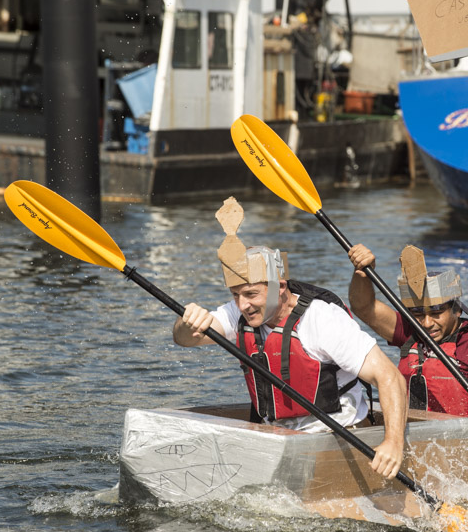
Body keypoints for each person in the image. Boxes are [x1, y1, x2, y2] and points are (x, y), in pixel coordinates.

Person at [173, 198, 408, 479]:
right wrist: (187, 323)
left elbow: (390, 377)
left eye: (251, 294)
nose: (243, 305)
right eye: (235, 295)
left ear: (280, 287)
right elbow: (184, 339)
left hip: (337, 437)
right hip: (279, 439)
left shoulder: (321, 320)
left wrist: (393, 443)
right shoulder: (237, 314)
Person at [347, 244, 468, 432]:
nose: (426, 323)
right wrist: (363, 272)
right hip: (417, 437)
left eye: (436, 312)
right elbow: (364, 307)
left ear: (456, 310)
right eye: (418, 313)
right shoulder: (410, 330)